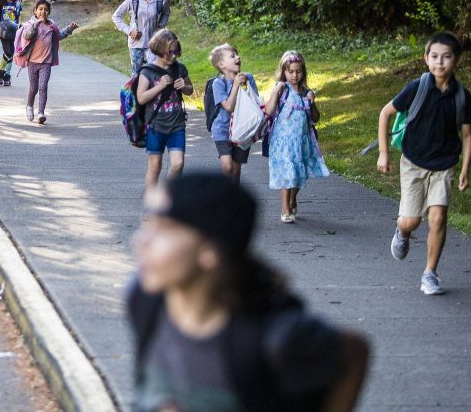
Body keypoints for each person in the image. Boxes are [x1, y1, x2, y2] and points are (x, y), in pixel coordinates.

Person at [127, 175, 371, 412]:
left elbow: (353, 352)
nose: (140, 241)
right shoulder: (145, 300)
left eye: (164, 229)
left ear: (210, 250)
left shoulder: (276, 338)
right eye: (146, 225)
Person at [377, 32, 471, 295]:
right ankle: (403, 232)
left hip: (445, 164)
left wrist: (465, 169)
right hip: (413, 162)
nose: (440, 62)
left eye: (446, 57)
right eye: (434, 56)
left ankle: (430, 273)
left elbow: (467, 136)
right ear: (426, 59)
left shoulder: (462, 96)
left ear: (456, 60)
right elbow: (386, 113)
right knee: (411, 221)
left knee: (438, 217)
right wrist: (384, 153)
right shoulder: (416, 88)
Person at [264, 51, 329, 223]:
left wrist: (312, 101)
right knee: (287, 172)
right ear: (284, 72)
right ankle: (285, 209)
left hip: (302, 140)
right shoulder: (282, 90)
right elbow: (268, 111)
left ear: (303, 72)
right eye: (291, 71)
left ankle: (293, 198)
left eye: (298, 71)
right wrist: (275, 92)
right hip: (283, 141)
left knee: (299, 173)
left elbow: (315, 118)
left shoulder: (306, 93)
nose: (294, 75)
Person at [136, 29, 192, 189]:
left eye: (177, 51)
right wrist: (160, 86)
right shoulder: (148, 71)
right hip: (155, 125)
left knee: (178, 163)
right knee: (155, 167)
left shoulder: (180, 68)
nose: (174, 55)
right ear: (159, 50)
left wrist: (185, 86)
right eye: (170, 52)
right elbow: (141, 98)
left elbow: (190, 89)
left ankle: (167, 199)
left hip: (177, 124)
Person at [17, 0, 78, 124]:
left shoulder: (51, 26)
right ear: (35, 11)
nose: (42, 12)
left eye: (45, 10)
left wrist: (70, 29)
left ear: (48, 12)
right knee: (33, 88)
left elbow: (59, 36)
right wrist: (36, 23)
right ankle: (29, 106)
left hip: (46, 62)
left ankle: (41, 113)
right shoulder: (30, 25)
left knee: (43, 86)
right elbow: (27, 35)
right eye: (40, 9)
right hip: (33, 62)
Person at [208, 43, 262, 185]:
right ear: (222, 64)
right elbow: (228, 107)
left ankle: (233, 200)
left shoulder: (248, 78)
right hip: (222, 130)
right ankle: (224, 198)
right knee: (227, 166)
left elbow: (255, 103)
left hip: (243, 130)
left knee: (236, 169)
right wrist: (236, 85)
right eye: (232, 56)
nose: (237, 57)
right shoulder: (218, 84)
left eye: (237, 55)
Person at [112, 0, 171, 75]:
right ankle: (134, 91)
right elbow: (116, 16)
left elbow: (166, 13)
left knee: (154, 71)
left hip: (153, 42)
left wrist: (161, 25)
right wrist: (129, 31)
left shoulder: (160, 0)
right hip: (135, 42)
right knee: (136, 73)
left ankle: (152, 90)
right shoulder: (132, 0)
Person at [0, 0, 23, 86]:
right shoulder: (0, 3)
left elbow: (18, 17)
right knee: (8, 52)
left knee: (12, 52)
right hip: (3, 31)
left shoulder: (17, 3)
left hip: (14, 31)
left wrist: (19, 26)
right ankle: (0, 73)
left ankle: (7, 76)